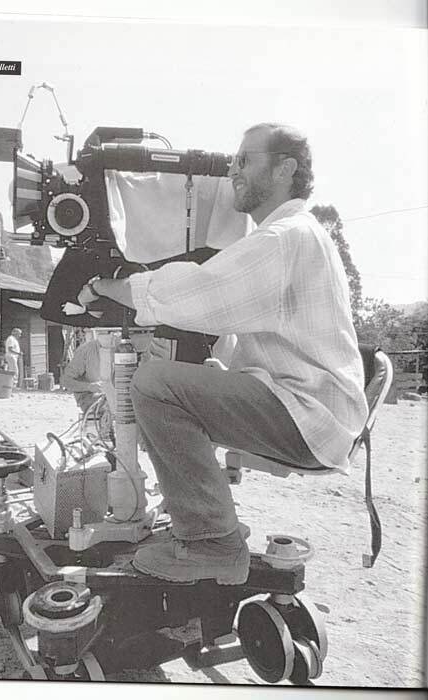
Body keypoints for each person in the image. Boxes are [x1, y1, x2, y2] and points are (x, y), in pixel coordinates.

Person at [77, 123, 368, 585]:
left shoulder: (285, 237)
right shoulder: (297, 233)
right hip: (310, 405)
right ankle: (202, 520)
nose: (233, 171)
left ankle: (212, 544)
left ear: (285, 169)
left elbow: (200, 291)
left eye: (245, 160)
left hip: (309, 415)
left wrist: (106, 286)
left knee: (153, 383)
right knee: (185, 379)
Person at [61, 330, 103, 414]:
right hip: (91, 398)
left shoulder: (124, 350)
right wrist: (89, 386)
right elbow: (65, 381)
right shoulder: (86, 350)